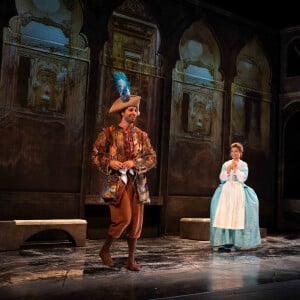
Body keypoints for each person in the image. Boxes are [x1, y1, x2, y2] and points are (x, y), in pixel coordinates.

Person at [91, 72, 157, 271]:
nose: (134, 113)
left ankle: (130, 260)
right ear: (122, 112)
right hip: (116, 182)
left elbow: (151, 157)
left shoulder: (142, 135)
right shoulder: (109, 133)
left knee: (136, 222)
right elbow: (95, 154)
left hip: (137, 182)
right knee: (124, 218)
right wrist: (110, 162)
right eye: (131, 110)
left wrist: (134, 162)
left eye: (136, 110)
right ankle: (105, 249)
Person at [210, 142, 261, 252]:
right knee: (224, 215)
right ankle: (224, 241)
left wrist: (236, 169)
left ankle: (236, 242)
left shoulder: (243, 165)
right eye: (232, 151)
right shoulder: (226, 164)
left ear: (240, 153)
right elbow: (222, 178)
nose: (234, 153)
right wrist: (228, 170)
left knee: (236, 216)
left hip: (238, 190)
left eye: (236, 151)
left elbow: (243, 178)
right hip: (227, 191)